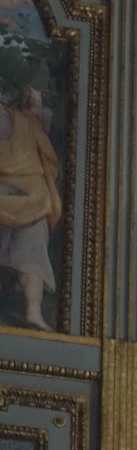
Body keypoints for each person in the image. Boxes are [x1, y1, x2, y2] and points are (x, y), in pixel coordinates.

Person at [0, 83, 61, 330]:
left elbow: (41, 132)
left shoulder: (23, 118)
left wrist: (36, 107)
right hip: (29, 198)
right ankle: (32, 311)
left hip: (26, 198)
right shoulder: (25, 118)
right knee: (29, 256)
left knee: (30, 255)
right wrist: (37, 107)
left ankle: (33, 312)